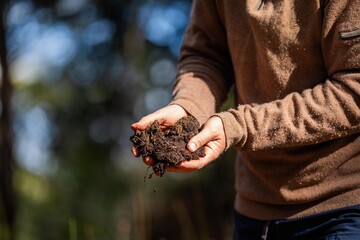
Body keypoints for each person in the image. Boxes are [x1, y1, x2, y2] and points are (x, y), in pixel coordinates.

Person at [131, 0, 360, 239]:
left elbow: (354, 89)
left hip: (343, 206)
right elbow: (207, 55)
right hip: (254, 210)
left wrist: (238, 126)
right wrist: (188, 107)